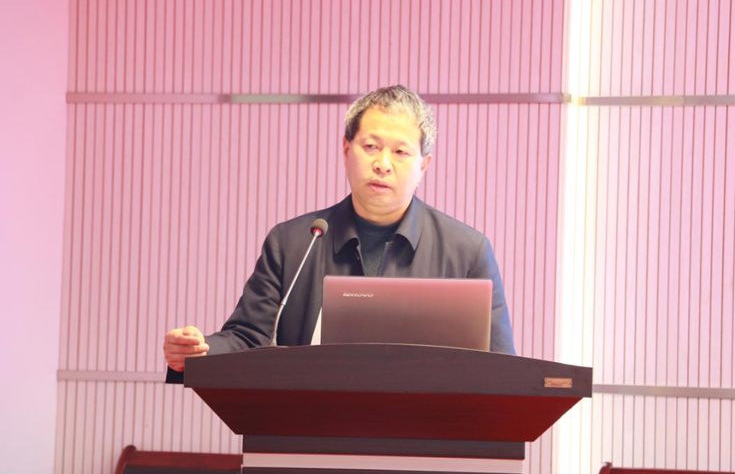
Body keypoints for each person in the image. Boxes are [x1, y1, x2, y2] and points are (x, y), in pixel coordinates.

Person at [163, 85, 515, 382]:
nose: (383, 164)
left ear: (423, 165)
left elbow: (502, 372)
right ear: (346, 149)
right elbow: (249, 339)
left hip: (428, 437)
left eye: (401, 151)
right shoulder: (294, 244)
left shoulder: (466, 252)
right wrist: (200, 353)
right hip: (307, 434)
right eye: (371, 146)